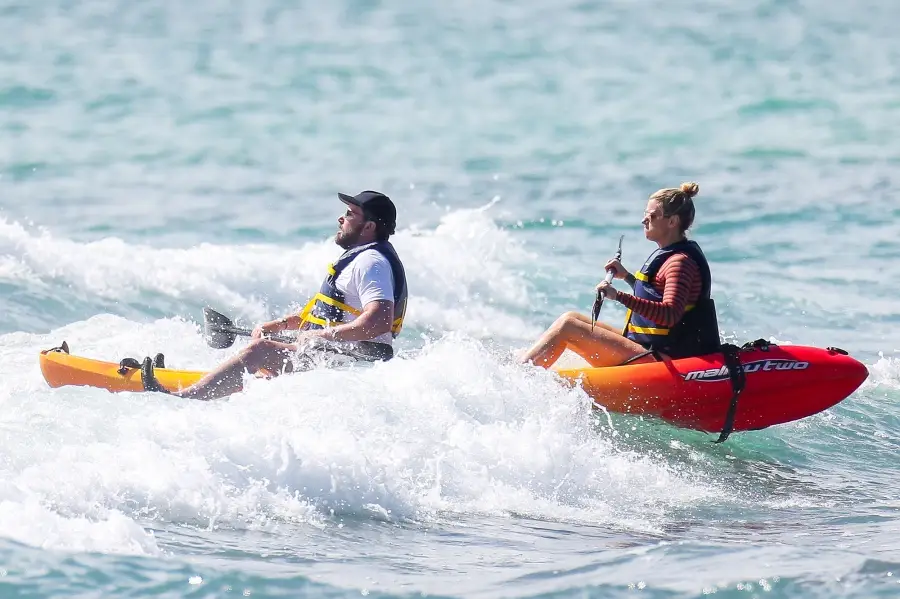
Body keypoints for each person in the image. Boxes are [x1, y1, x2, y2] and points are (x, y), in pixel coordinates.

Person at [140, 190, 409, 399]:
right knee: (263, 371)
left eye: (350, 213)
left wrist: (319, 335)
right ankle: (192, 385)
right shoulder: (363, 259)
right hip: (344, 355)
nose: (341, 218)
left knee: (260, 351)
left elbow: (377, 322)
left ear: (370, 227)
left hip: (356, 362)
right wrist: (279, 325)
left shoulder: (371, 262)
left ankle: (184, 399)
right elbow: (325, 316)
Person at [519, 181, 720, 369]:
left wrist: (618, 296)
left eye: (652, 216)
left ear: (672, 221)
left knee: (568, 326)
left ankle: (522, 376)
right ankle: (527, 366)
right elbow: (654, 293)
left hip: (662, 359)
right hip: (650, 347)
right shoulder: (673, 255)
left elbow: (669, 315)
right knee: (571, 317)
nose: (644, 220)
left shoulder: (679, 262)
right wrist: (627, 277)